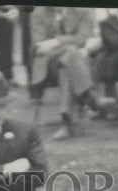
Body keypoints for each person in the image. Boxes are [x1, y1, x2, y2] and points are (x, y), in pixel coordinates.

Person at [30, 6, 100, 139]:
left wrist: (56, 41)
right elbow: (40, 47)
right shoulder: (39, 13)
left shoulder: (82, 10)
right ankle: (90, 96)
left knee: (66, 66)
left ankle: (66, 123)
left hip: (70, 64)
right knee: (71, 52)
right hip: (47, 65)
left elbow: (82, 39)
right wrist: (68, 44)